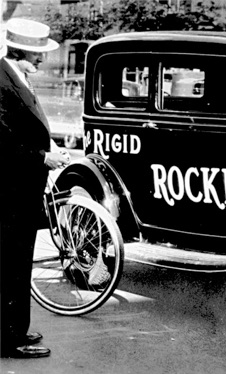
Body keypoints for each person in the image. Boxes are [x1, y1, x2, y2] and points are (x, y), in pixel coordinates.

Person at [0, 18, 69, 358]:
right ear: (22, 52)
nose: (42, 60)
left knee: (17, 263)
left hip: (19, 191)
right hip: (9, 193)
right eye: (37, 54)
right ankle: (8, 340)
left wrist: (47, 150)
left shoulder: (13, 77)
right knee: (10, 265)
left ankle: (15, 330)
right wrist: (43, 158)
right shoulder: (1, 81)